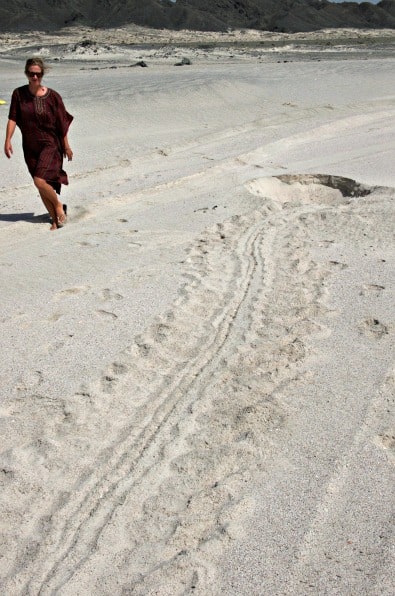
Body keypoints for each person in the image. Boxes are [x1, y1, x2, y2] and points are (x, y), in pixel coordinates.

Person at [4, 58, 73, 230]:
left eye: (38, 74)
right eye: (31, 73)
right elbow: (13, 117)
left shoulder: (53, 97)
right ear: (26, 74)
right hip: (30, 147)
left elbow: (62, 123)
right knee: (40, 185)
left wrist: (66, 146)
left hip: (50, 144)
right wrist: (7, 139)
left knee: (39, 180)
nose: (35, 77)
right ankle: (55, 220)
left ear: (42, 74)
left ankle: (58, 206)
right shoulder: (18, 94)